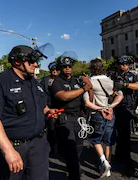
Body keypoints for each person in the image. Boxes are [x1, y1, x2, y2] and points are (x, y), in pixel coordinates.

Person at [0, 45, 59, 180]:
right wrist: (9, 151)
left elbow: (42, 105)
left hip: (38, 145)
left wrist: (48, 111)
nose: (36, 64)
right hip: (13, 146)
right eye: (32, 61)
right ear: (17, 62)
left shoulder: (34, 82)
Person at [49, 51, 93, 180]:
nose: (67, 69)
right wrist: (84, 88)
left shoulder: (76, 81)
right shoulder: (55, 81)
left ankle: (74, 167)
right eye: (64, 66)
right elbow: (63, 96)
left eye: (69, 66)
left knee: (79, 146)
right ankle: (74, 173)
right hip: (65, 117)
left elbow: (89, 99)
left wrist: (88, 86)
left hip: (79, 117)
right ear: (60, 68)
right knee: (71, 149)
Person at [83, 58, 123, 178]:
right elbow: (120, 95)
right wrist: (111, 106)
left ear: (91, 68)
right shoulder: (110, 81)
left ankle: (103, 162)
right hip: (110, 113)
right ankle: (108, 163)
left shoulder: (89, 82)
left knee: (95, 140)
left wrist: (100, 109)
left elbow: (86, 103)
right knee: (108, 141)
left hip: (98, 113)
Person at [113, 55, 138, 177]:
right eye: (122, 63)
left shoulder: (130, 75)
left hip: (126, 108)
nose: (124, 66)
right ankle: (119, 156)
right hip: (114, 107)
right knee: (117, 135)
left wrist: (125, 85)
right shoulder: (112, 75)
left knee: (125, 136)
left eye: (126, 64)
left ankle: (127, 164)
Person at [40, 61, 59, 154]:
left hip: (61, 107)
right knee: (51, 128)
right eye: (53, 69)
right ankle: (53, 147)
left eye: (56, 69)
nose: (55, 71)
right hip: (49, 107)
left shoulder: (62, 79)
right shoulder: (45, 80)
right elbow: (41, 94)